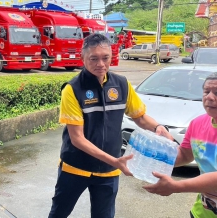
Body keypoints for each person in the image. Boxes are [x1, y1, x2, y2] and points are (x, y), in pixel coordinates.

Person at [48, 33, 173, 218]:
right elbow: (77, 138)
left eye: (105, 58)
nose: (101, 64)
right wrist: (114, 161)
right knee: (59, 212)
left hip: (109, 171)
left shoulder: (121, 84)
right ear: (83, 58)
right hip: (75, 167)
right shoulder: (73, 89)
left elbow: (140, 117)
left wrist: (157, 128)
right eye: (94, 58)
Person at [144, 72, 217, 218]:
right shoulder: (197, 124)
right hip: (203, 211)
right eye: (206, 91)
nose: (209, 97)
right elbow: (185, 154)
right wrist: (160, 151)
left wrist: (176, 186)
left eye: (216, 92)